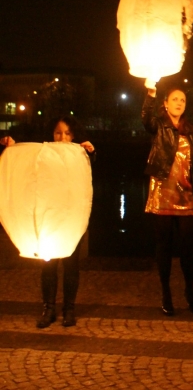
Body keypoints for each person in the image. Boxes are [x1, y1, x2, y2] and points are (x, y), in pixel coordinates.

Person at [2, 118, 95, 328]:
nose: (62, 138)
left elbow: (88, 172)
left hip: (71, 217)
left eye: (67, 133)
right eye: (58, 133)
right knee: (48, 265)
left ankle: (69, 310)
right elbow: (27, 163)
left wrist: (89, 153)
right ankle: (49, 309)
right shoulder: (44, 156)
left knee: (71, 266)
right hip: (49, 217)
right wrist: (13, 148)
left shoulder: (78, 154)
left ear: (74, 135)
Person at [142, 81, 193, 316]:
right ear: (165, 104)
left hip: (186, 193)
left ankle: (190, 291)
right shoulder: (158, 125)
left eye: (182, 100)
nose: (179, 103)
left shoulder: (191, 131)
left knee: (188, 247)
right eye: (174, 99)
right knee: (164, 245)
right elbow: (145, 119)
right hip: (162, 192)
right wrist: (150, 94)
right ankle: (166, 293)